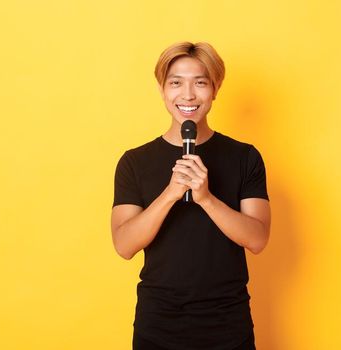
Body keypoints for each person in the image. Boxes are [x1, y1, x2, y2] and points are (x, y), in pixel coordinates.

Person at [110, 42, 272, 350]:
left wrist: (207, 199)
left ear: (215, 89)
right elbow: (124, 245)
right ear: (162, 90)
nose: (187, 95)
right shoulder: (134, 162)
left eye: (200, 82)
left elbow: (258, 238)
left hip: (228, 324)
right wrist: (171, 193)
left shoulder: (245, 157)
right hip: (158, 325)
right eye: (175, 83)